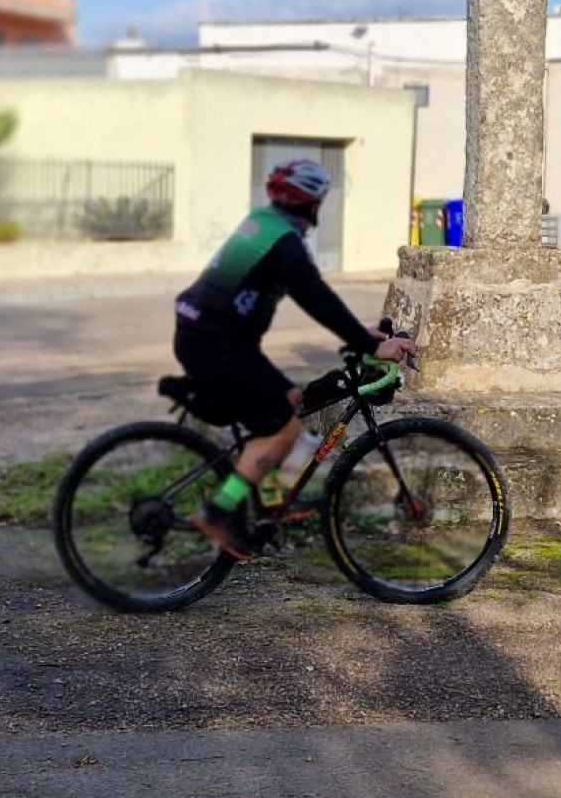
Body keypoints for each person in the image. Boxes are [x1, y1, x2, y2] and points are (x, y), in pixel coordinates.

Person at [173, 158, 415, 558]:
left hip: (209, 335)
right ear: (311, 204)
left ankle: (270, 499)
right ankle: (219, 511)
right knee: (284, 429)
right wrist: (372, 347)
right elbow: (317, 299)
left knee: (290, 401)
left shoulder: (263, 224)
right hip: (217, 343)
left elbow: (315, 299)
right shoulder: (285, 243)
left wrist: (359, 334)